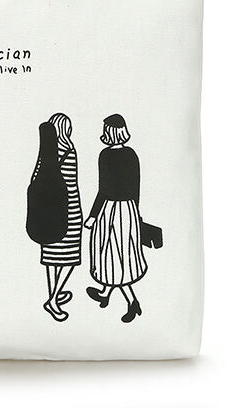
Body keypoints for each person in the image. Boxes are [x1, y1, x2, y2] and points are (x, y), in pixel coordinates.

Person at [84, 114, 148, 323]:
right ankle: (105, 293)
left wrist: (92, 216)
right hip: (128, 211)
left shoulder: (105, 155)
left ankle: (132, 302)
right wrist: (136, 213)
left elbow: (103, 190)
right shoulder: (131, 154)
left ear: (110, 132)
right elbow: (136, 188)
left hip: (110, 210)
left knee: (113, 256)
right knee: (118, 254)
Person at [30, 112, 83, 321]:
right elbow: (71, 186)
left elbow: (35, 178)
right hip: (68, 212)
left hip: (47, 213)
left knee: (52, 256)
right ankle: (53, 301)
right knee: (69, 257)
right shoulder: (69, 150)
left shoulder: (46, 152)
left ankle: (54, 292)